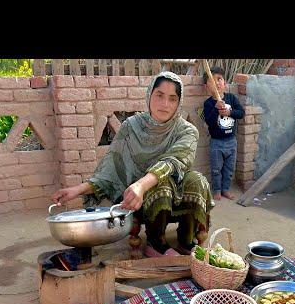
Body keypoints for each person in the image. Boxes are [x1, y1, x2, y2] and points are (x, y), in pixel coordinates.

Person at [52, 71, 214, 258]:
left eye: (172, 99)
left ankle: (186, 239)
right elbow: (111, 168)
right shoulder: (131, 127)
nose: (165, 104)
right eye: (159, 96)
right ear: (149, 95)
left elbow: (174, 161)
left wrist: (142, 184)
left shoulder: (187, 131)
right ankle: (156, 243)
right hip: (140, 200)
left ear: (179, 103)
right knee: (161, 185)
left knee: (197, 180)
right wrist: (78, 190)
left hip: (170, 194)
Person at [202, 66, 245, 201]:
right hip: (217, 142)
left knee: (229, 169)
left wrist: (229, 112)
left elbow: (241, 113)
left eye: (219, 79)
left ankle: (226, 189)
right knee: (216, 169)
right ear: (206, 87)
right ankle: (217, 190)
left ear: (225, 83)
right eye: (212, 81)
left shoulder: (231, 98)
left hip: (231, 141)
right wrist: (216, 109)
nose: (216, 83)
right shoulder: (208, 103)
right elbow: (209, 121)